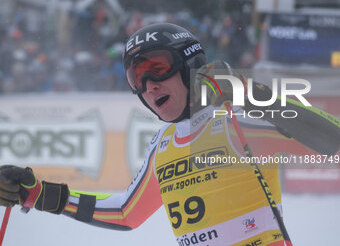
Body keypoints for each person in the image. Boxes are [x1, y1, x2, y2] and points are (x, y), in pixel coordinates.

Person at [0, 23, 339, 246]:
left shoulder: (238, 119)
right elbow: (125, 212)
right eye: (136, 79)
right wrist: (39, 195)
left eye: (156, 68)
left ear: (190, 65)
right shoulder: (162, 145)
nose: (148, 86)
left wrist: (251, 94)